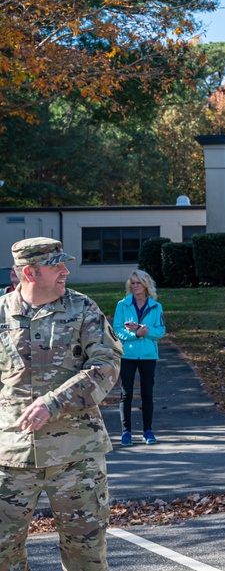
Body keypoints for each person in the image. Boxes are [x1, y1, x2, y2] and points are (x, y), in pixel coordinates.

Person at [0, 237, 122, 571]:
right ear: (30, 273)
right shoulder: (0, 315)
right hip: (10, 458)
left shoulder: (83, 310)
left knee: (86, 557)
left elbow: (106, 366)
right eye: (56, 266)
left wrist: (52, 403)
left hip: (76, 456)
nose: (65, 272)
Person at [113, 269, 166, 446]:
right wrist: (136, 334)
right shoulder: (122, 305)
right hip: (127, 354)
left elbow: (160, 332)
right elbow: (117, 331)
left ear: (146, 285)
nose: (135, 286)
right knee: (126, 394)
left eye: (138, 283)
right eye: (133, 283)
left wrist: (145, 330)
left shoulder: (156, 306)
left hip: (148, 356)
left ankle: (148, 431)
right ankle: (126, 432)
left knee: (147, 394)